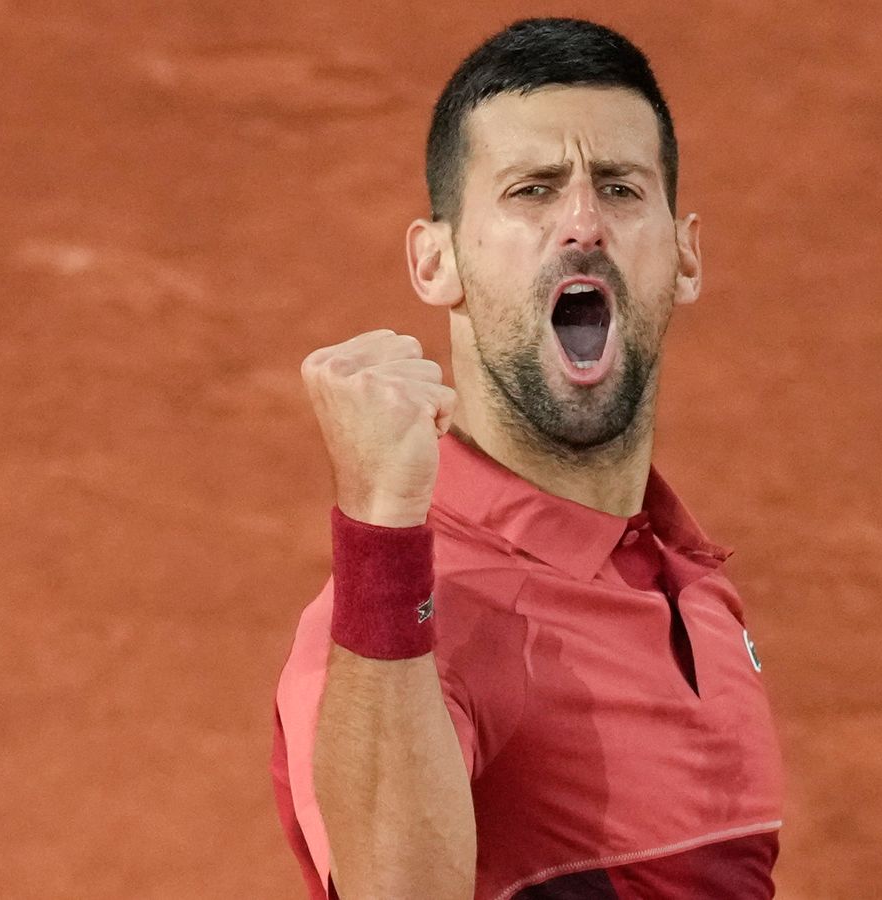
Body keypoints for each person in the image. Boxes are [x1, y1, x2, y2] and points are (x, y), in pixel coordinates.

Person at [271, 18, 783, 899]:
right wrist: (379, 535)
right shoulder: (398, 627)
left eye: (621, 189)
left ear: (685, 254)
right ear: (438, 262)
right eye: (533, 190)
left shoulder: (687, 582)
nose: (582, 222)